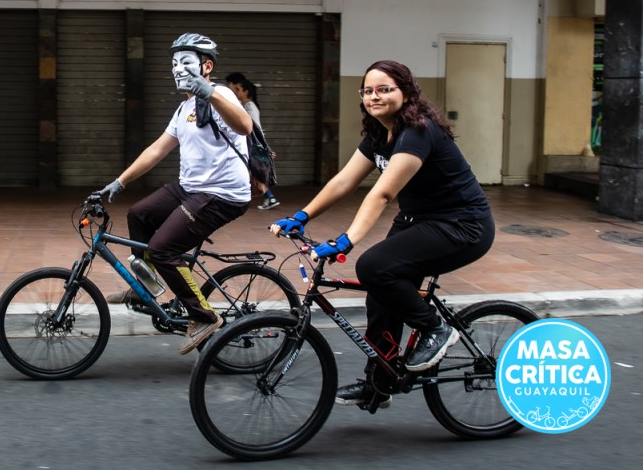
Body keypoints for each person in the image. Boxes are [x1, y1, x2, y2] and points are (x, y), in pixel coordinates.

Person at [271, 60, 493, 409]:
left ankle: (435, 329)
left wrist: (346, 240)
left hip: (462, 224)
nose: (374, 96)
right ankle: (381, 380)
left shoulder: (418, 131)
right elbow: (343, 181)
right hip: (418, 220)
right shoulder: (378, 134)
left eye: (384, 89)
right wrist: (301, 216)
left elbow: (383, 194)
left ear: (406, 92)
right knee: (379, 291)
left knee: (373, 265)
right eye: (368, 91)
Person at [95, 33, 253, 355]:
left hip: (221, 194)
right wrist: (119, 182)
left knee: (163, 249)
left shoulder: (221, 94)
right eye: (174, 64)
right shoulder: (184, 108)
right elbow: (157, 150)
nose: (177, 69)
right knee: (139, 215)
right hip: (190, 188)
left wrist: (210, 93)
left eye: (186, 62)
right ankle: (145, 289)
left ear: (207, 66)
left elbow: (245, 126)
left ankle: (204, 317)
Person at [225, 71, 279, 210]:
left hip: (252, 145)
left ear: (245, 91)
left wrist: (264, 148)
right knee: (251, 171)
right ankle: (269, 197)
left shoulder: (249, 107)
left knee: (253, 172)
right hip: (250, 145)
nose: (235, 92)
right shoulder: (246, 106)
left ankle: (269, 197)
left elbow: (256, 129)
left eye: (237, 89)